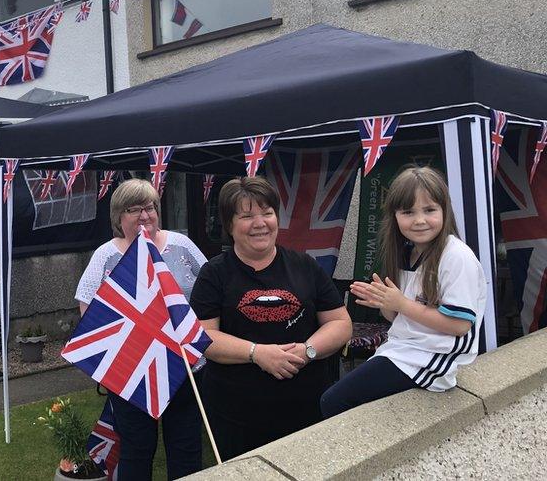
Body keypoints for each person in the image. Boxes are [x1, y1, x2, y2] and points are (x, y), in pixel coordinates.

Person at [189, 176, 352, 460]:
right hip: (237, 414)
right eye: (247, 215)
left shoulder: (304, 265)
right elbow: (203, 336)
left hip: (307, 408)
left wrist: (307, 350)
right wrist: (257, 354)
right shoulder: (214, 273)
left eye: (267, 213)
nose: (260, 223)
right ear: (229, 225)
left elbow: (340, 323)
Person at [320, 166, 486, 418]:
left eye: (429, 210)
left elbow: (459, 325)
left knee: (334, 401)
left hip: (433, 357)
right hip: (403, 350)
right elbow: (397, 319)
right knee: (343, 401)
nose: (419, 220)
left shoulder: (456, 256)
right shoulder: (407, 252)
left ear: (445, 211)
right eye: (408, 212)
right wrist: (386, 303)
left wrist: (401, 303)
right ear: (395, 217)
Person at [74, 179, 207, 480]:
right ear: (118, 217)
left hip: (185, 367)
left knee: (186, 447)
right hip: (133, 372)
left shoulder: (182, 246)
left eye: (149, 207)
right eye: (133, 209)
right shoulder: (105, 255)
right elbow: (88, 309)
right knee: (136, 448)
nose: (144, 216)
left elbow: (210, 288)